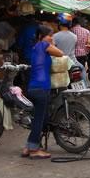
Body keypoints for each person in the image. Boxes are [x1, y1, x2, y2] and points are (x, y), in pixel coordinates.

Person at [23, 25, 64, 159]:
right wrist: (52, 43)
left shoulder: (36, 47)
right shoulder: (43, 45)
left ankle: (28, 147)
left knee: (39, 119)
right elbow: (60, 53)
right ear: (42, 36)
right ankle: (34, 150)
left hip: (34, 87)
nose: (51, 37)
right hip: (41, 88)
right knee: (39, 120)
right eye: (49, 35)